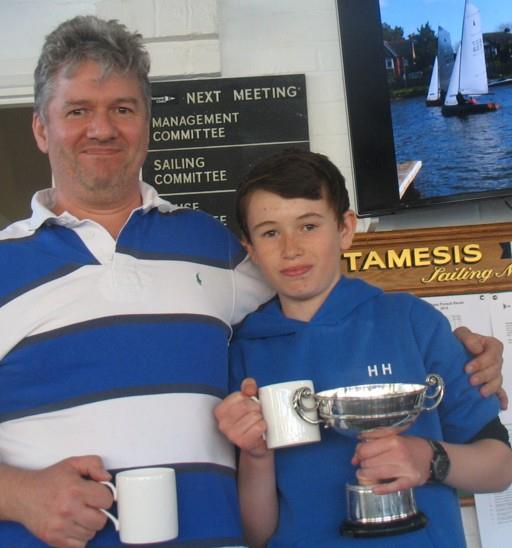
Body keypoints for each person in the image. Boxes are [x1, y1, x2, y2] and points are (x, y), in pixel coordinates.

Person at [0, 15, 505, 548]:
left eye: (122, 108)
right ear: (42, 128)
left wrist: (457, 345)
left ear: (146, 125)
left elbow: (323, 301)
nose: (102, 129)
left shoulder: (214, 247)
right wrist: (20, 495)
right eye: (78, 110)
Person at [214, 148, 512, 547]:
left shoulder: (413, 323)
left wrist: (427, 458)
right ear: (249, 247)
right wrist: (255, 455)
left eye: (308, 226)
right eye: (270, 232)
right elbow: (257, 534)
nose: (291, 249)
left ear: (345, 230)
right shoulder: (242, 352)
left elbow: (499, 466)